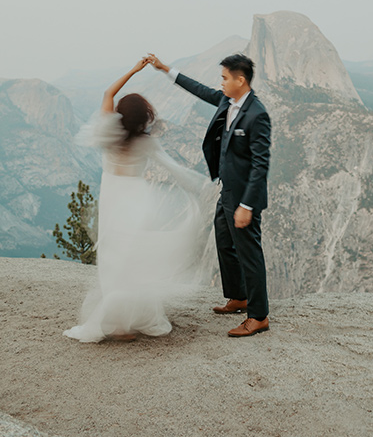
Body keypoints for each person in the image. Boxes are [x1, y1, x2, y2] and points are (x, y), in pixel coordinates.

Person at [63, 59, 209, 343]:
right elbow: (174, 168)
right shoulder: (146, 142)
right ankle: (131, 318)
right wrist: (198, 186)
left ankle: (117, 323)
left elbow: (107, 94)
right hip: (135, 201)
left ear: (121, 116)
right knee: (134, 258)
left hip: (111, 200)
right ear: (144, 118)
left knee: (112, 259)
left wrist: (132, 70)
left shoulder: (109, 133)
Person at [147, 52, 271, 338]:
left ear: (241, 80)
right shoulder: (228, 101)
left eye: (226, 78)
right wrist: (167, 69)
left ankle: (259, 315)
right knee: (224, 241)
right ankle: (239, 296)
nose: (222, 83)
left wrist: (246, 205)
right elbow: (201, 91)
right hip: (226, 190)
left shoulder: (257, 114)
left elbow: (260, 165)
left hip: (243, 199)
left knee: (249, 253)